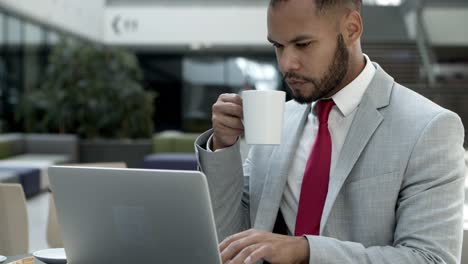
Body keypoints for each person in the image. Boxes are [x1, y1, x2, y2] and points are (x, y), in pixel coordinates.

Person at [195, 0, 466, 263]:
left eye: (303, 44)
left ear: (351, 28)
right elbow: (231, 240)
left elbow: (430, 258)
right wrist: (223, 147)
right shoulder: (278, 120)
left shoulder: (430, 128)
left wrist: (306, 251)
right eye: (278, 46)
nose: (286, 64)